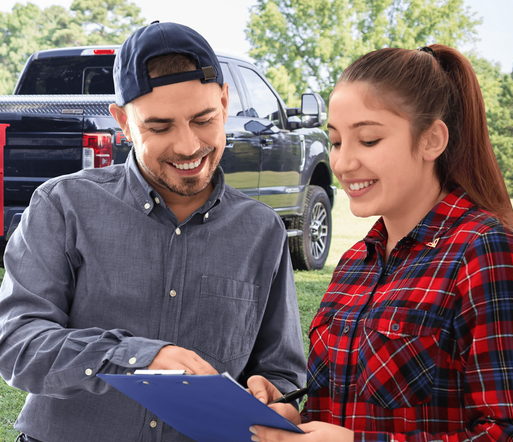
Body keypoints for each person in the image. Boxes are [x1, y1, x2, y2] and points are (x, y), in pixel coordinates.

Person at [0, 21, 306, 442]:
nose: (187, 146)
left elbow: (281, 372)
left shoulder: (262, 231)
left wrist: (275, 394)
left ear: (224, 100)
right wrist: (136, 357)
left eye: (204, 119)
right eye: (159, 127)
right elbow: (18, 343)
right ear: (124, 122)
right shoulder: (63, 206)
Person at [248, 44, 513, 441]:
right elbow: (344, 411)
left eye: (368, 141)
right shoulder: (353, 265)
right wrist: (291, 416)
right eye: (335, 141)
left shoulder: (486, 252)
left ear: (432, 140)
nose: (343, 163)